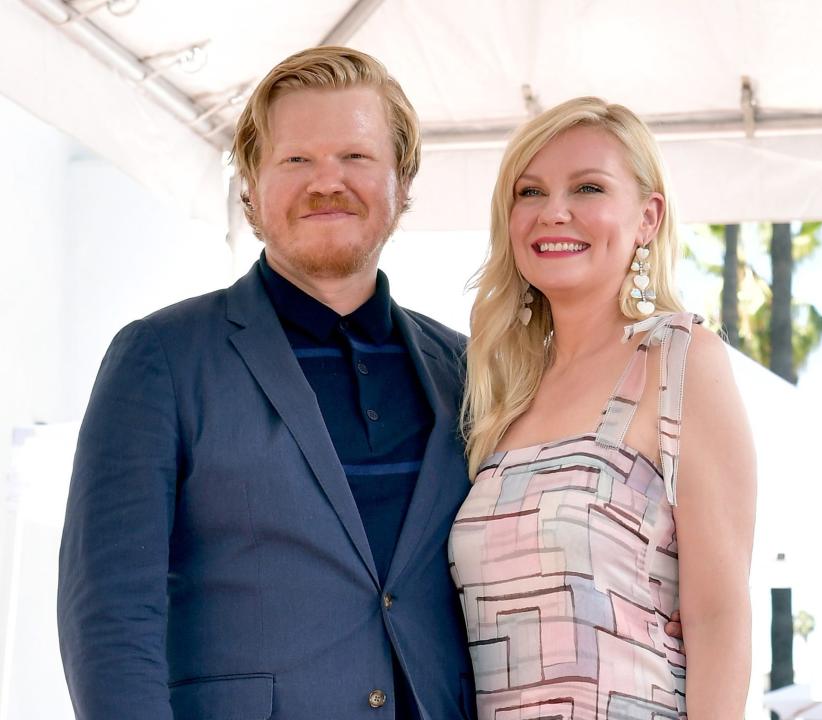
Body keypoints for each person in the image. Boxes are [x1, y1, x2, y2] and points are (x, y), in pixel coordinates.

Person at [57, 46, 477, 720]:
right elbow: (108, 613)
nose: (326, 181)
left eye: (357, 158)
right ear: (250, 184)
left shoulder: (466, 370)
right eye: (296, 160)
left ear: (402, 179)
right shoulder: (161, 358)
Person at [450, 97, 756, 719]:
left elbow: (719, 615)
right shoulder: (500, 392)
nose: (552, 212)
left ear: (648, 217)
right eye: (529, 192)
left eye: (587, 187)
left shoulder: (677, 359)